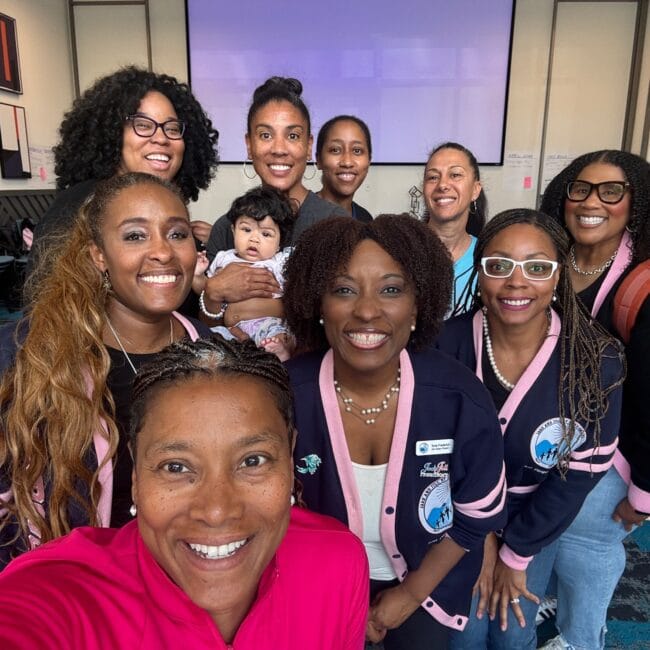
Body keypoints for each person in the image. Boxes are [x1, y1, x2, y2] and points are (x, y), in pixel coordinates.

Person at [0, 336, 369, 648]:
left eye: (253, 460)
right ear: (136, 475)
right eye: (175, 467)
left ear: (289, 459)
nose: (217, 511)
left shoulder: (336, 565)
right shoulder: (63, 596)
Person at [283, 215, 507, 648]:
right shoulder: (285, 396)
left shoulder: (459, 397)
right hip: (314, 582)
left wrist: (408, 596)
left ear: (418, 305)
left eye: (391, 290)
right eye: (344, 290)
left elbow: (475, 516)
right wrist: (337, 600)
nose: (367, 311)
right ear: (317, 303)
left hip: (427, 580)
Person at [0, 173, 211, 567]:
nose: (162, 251)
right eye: (135, 236)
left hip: (184, 582)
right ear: (99, 255)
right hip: (69, 589)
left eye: (177, 234)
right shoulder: (26, 354)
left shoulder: (218, 356)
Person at [436, 209, 625, 650]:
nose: (516, 282)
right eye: (499, 266)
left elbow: (581, 473)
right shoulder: (443, 346)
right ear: (479, 274)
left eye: (537, 268)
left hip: (535, 518)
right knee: (466, 633)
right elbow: (428, 455)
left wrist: (515, 553)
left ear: (558, 276)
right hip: (456, 516)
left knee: (512, 629)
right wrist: (480, 536)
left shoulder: (596, 360)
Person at [538, 150, 650, 650]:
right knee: (550, 538)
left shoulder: (640, 282)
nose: (592, 202)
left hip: (612, 453)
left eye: (611, 191)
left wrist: (644, 493)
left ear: (635, 203)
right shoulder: (550, 259)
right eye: (580, 189)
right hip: (547, 438)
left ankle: (580, 638)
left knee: (585, 548)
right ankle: (553, 606)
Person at [30, 66, 219, 272]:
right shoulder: (79, 207)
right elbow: (50, 289)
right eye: (143, 125)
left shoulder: (165, 202)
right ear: (111, 133)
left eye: (172, 128)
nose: (161, 138)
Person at [200, 77, 347, 331]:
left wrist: (260, 309)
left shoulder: (335, 224)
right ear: (249, 145)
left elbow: (345, 311)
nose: (279, 149)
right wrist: (212, 292)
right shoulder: (226, 227)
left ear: (308, 146)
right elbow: (209, 329)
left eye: (293, 135)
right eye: (265, 135)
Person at [194, 186, 294, 360]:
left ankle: (278, 349)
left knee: (277, 332)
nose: (254, 239)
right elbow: (206, 290)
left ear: (280, 242)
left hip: (266, 324)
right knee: (211, 337)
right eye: (246, 230)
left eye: (266, 234)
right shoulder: (223, 259)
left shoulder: (279, 262)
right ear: (233, 230)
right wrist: (197, 275)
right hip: (231, 329)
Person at [423, 142, 487, 314]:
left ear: (475, 190)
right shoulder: (401, 251)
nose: (442, 185)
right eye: (433, 177)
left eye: (455, 175)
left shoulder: (487, 257)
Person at [315, 115, 373, 222]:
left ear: (369, 160)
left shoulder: (365, 219)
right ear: (319, 160)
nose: (347, 162)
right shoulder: (299, 217)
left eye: (357, 151)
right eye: (335, 150)